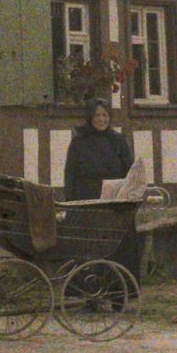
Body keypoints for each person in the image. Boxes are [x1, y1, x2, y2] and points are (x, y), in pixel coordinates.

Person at [61, 98, 142, 280]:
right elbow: (70, 175)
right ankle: (90, 294)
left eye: (105, 115)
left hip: (113, 203)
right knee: (88, 245)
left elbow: (129, 172)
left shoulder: (118, 141)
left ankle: (118, 294)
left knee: (118, 243)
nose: (101, 119)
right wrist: (72, 203)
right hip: (87, 201)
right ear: (90, 117)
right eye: (97, 115)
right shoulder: (79, 142)